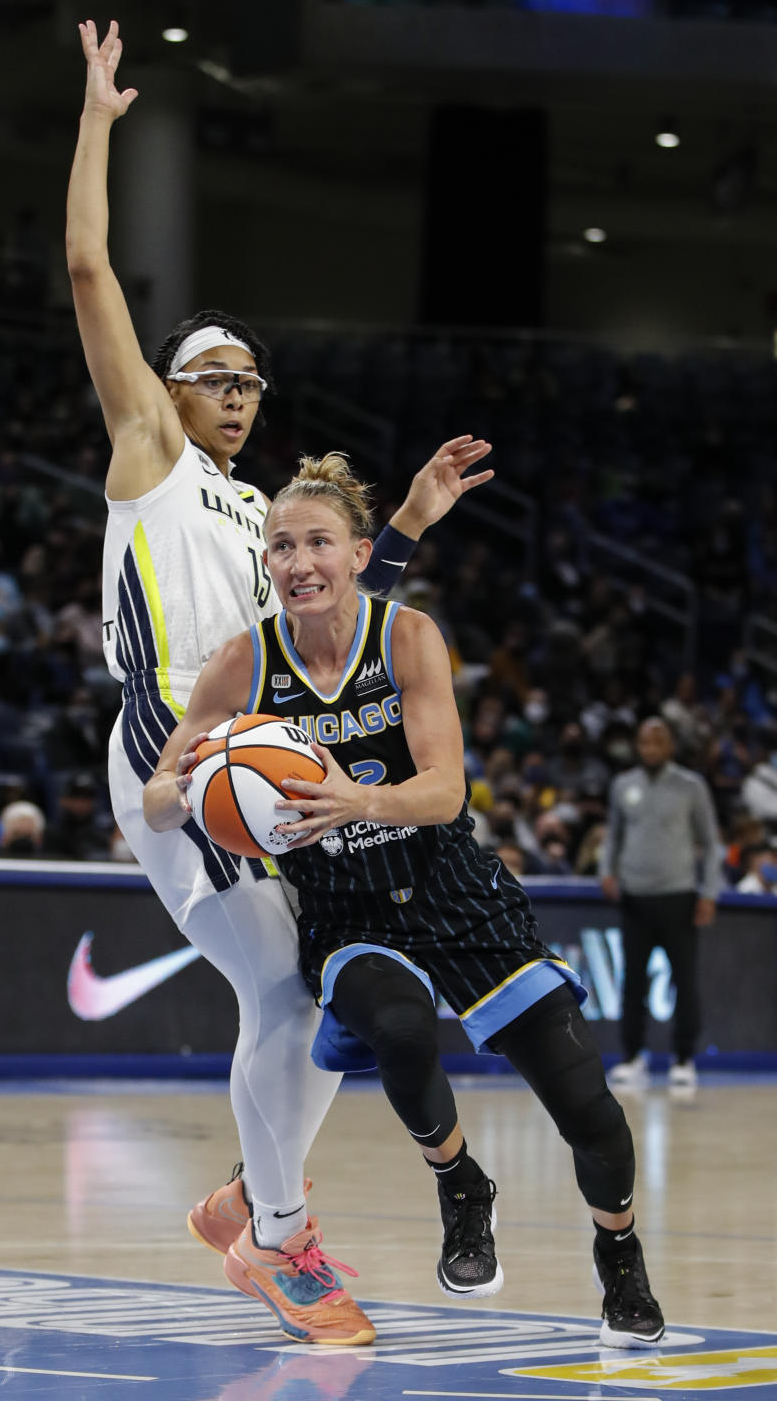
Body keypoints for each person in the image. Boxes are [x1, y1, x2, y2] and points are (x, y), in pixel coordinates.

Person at [67, 19, 496, 1346]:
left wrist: (410, 524)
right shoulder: (150, 455)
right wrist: (98, 121)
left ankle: (255, 1212)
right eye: (213, 376)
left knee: (309, 996)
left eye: (249, 379)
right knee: (284, 987)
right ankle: (279, 1235)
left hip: (262, 751)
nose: (236, 394)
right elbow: (88, 268)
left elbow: (338, 624)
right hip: (176, 757)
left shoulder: (263, 510)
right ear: (169, 391)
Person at [145, 454, 665, 1350]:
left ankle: (619, 1257)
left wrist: (360, 800)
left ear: (357, 554)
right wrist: (188, 782)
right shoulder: (243, 662)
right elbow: (157, 795)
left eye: (317, 543)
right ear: (265, 564)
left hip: (454, 890)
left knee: (591, 1112)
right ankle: (462, 1184)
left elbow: (446, 792)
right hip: (348, 913)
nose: (298, 561)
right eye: (280, 547)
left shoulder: (407, 636)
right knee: (400, 1028)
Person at [600, 717, 722, 1091]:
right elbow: (614, 834)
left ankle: (683, 1059)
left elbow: (713, 843)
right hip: (635, 898)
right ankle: (633, 1057)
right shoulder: (624, 785)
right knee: (631, 981)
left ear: (669, 746)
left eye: (657, 743)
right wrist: (607, 870)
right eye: (644, 743)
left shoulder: (691, 786)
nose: (650, 749)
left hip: (678, 897)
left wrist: (709, 892)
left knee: (684, 980)